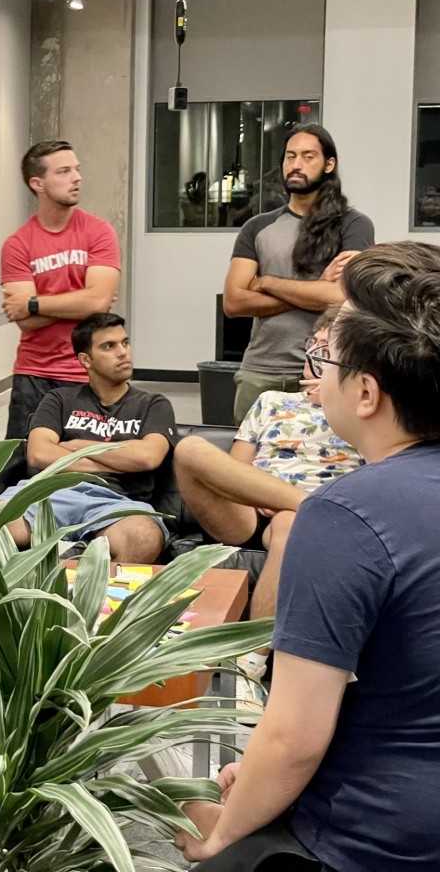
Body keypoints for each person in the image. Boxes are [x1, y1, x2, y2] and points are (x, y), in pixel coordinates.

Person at [176, 241, 440, 872]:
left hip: (371, 840)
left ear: (367, 392)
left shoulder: (344, 518)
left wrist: (221, 834)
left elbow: (294, 740)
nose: (315, 369)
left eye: (328, 358)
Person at [173, 307, 363, 624]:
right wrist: (264, 494)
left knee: (289, 522)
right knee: (190, 449)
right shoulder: (271, 400)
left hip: (316, 519)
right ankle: (302, 503)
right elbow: (235, 473)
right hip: (251, 512)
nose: (314, 356)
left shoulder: (360, 409)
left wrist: (337, 398)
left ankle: (253, 652)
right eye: (313, 345)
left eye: (326, 350)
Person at [222, 125, 374, 423]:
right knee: (246, 452)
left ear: (329, 164)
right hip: (260, 370)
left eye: (308, 156)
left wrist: (266, 283)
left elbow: (340, 296)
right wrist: (315, 289)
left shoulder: (354, 225)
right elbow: (234, 302)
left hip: (326, 371)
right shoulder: (257, 227)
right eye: (290, 156)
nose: (296, 164)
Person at [0, 313, 176, 564]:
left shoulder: (153, 404)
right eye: (109, 346)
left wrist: (79, 446)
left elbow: (147, 457)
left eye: (125, 343)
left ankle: (100, 588)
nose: (123, 353)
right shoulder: (59, 399)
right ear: (86, 359)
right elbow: (39, 453)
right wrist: (121, 460)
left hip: (115, 502)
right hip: (51, 494)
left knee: (144, 537)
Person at [0, 140, 121, 491]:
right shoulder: (18, 244)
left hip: (88, 373)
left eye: (77, 169)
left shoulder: (98, 231)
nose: (76, 177)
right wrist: (82, 300)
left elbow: (97, 302)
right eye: (64, 171)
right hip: (33, 376)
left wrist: (35, 302)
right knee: (23, 473)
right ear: (38, 183)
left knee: (89, 471)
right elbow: (24, 320)